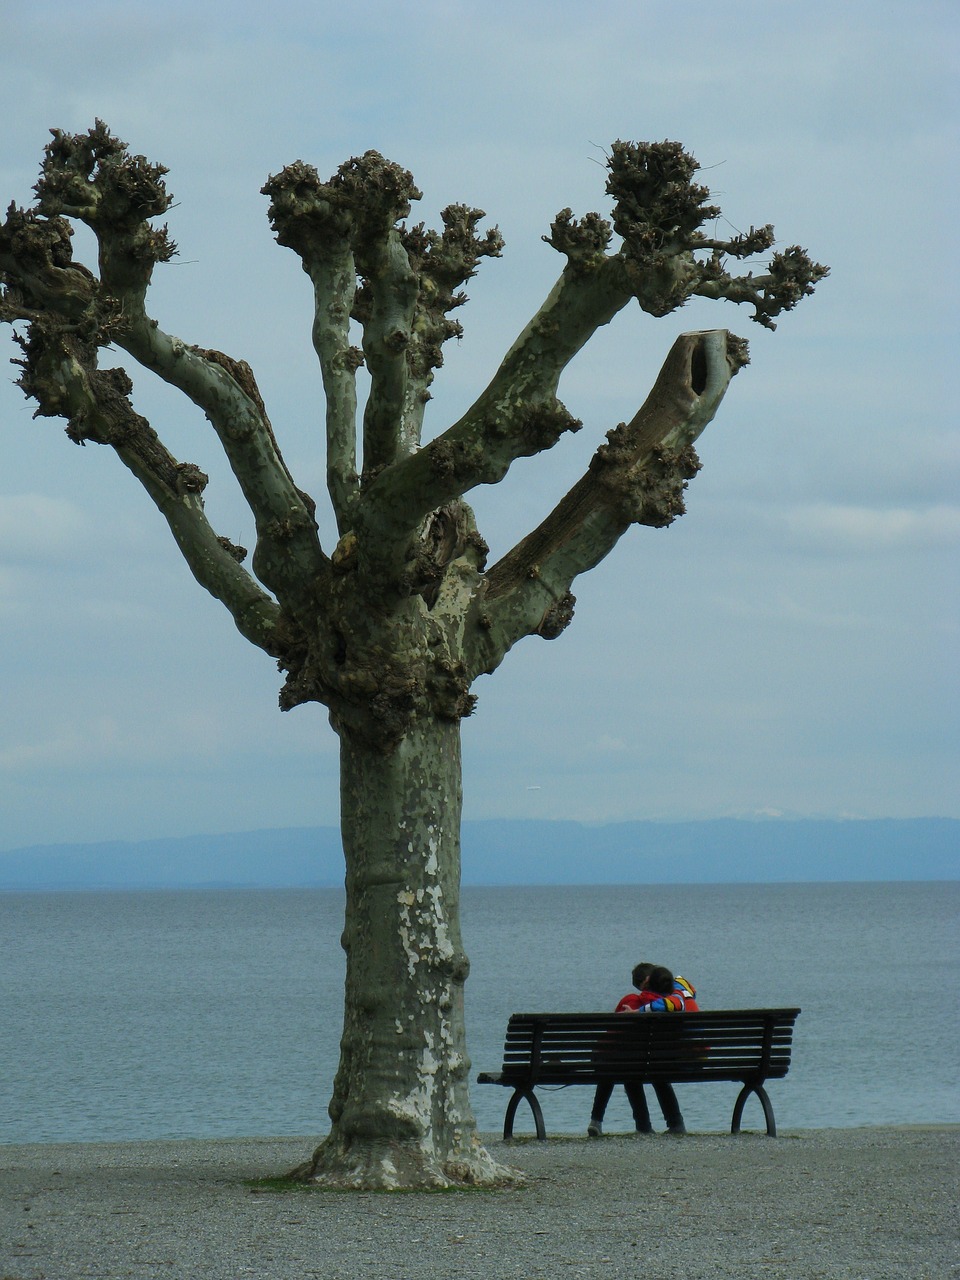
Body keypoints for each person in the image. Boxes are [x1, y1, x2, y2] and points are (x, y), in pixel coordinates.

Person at [586, 963, 696, 1137]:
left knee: (621, 1066)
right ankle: (675, 1123)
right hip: (673, 1061)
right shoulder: (677, 1001)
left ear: (645, 983)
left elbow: (612, 1031)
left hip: (635, 1062)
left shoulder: (632, 1002)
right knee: (643, 1069)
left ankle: (636, 1125)